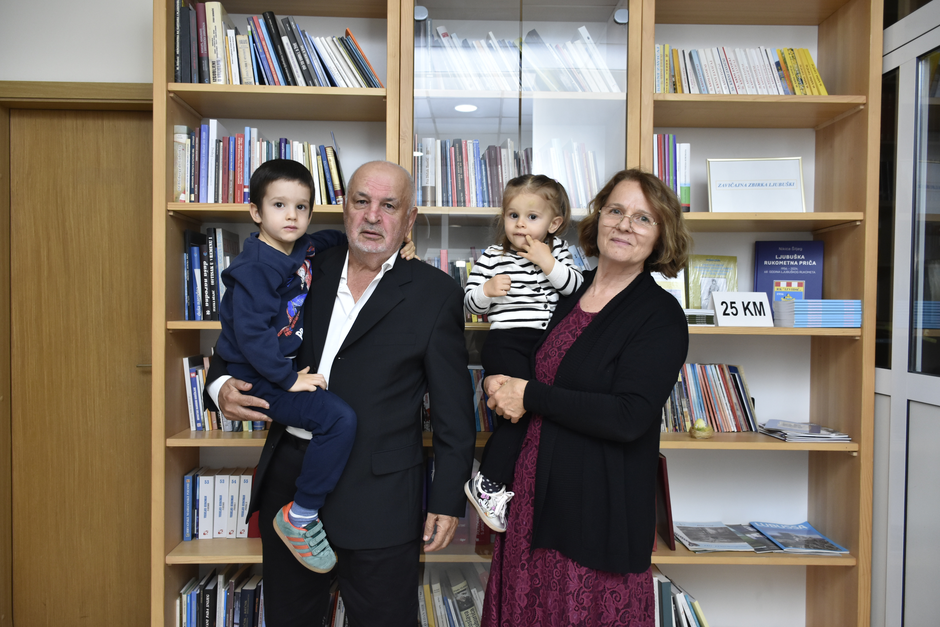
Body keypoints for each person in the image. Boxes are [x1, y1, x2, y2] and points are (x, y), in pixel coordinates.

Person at [205, 161, 476, 627]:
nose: (372, 216)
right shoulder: (301, 265)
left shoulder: (436, 293)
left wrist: (446, 500)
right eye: (361, 201)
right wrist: (218, 385)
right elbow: (242, 329)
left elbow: (454, 411)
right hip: (289, 485)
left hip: (381, 500)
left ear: (409, 218)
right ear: (344, 207)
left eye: (389, 206)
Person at [480, 168, 693, 626]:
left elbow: (629, 416)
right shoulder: (566, 290)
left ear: (661, 235)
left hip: (594, 519)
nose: (624, 224)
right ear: (598, 218)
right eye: (615, 210)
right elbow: (529, 359)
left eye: (643, 218)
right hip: (531, 506)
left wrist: (529, 395)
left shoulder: (659, 314)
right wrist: (499, 381)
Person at [215, 159, 415, 573]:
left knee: (336, 419)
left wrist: (397, 245)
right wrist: (286, 379)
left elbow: (334, 239)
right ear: (255, 212)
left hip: (370, 485)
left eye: (301, 207)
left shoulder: (302, 249)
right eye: (279, 206)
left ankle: (302, 512)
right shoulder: (254, 269)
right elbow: (250, 337)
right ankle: (300, 516)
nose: (291, 216)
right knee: (337, 418)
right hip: (261, 380)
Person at [462, 174, 583, 533]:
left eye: (532, 217)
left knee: (540, 415)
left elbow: (576, 290)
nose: (520, 224)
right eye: (513, 215)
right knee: (520, 413)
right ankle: (488, 483)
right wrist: (486, 290)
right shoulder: (494, 256)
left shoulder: (558, 253)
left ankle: (501, 483)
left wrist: (549, 263)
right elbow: (468, 302)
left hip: (546, 345)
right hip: (508, 342)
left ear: (553, 224)